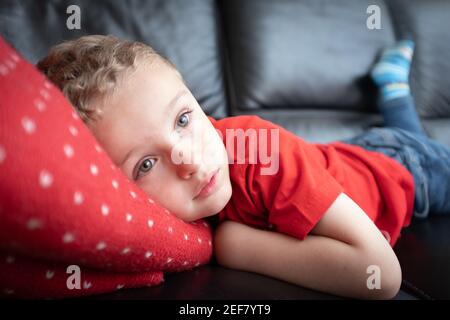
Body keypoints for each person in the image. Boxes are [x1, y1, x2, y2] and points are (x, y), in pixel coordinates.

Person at [37, 35, 450, 300]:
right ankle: (393, 87)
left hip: (406, 173)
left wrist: (235, 246)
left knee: (416, 146)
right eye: (146, 164)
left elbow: (381, 275)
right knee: (399, 135)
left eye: (183, 119)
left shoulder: (260, 152)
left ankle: (394, 93)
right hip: (348, 155)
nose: (191, 161)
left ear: (195, 99)